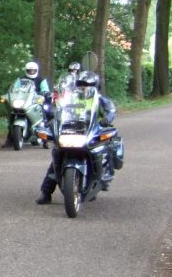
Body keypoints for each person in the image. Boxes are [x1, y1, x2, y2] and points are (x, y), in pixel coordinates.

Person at [36, 70, 120, 204]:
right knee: (57, 157)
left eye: (87, 85)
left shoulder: (99, 99)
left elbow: (111, 110)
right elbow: (58, 108)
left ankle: (102, 179)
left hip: (91, 130)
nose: (84, 87)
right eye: (81, 84)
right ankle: (46, 192)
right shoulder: (70, 98)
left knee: (104, 149)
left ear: (95, 86)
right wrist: (53, 117)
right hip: (71, 130)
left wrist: (107, 119)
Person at [4, 60, 52, 146]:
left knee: (43, 112)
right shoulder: (20, 79)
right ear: (26, 70)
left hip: (35, 100)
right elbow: (14, 87)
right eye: (30, 70)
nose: (31, 72)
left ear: (36, 70)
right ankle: (10, 138)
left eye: (33, 70)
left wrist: (44, 93)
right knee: (12, 113)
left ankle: (45, 139)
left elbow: (45, 89)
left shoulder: (41, 79)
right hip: (23, 100)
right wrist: (10, 93)